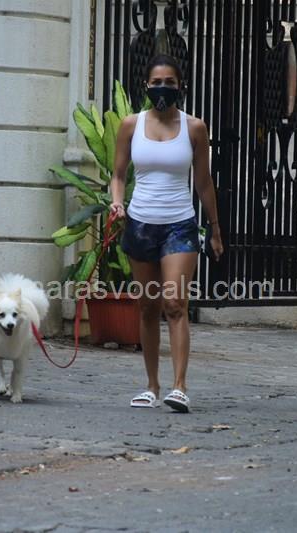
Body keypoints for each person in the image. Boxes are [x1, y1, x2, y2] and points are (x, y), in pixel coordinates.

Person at [110, 53, 224, 413]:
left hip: (180, 225)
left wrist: (215, 229)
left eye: (169, 83)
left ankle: (179, 387)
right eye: (156, 82)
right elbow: (118, 174)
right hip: (141, 224)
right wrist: (117, 202)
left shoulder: (195, 128)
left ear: (180, 85)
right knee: (148, 307)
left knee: (175, 304)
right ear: (146, 85)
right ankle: (151, 386)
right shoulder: (131, 125)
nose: (162, 88)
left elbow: (203, 182)